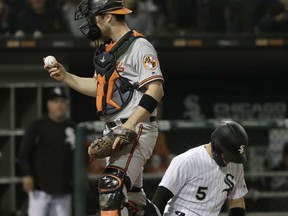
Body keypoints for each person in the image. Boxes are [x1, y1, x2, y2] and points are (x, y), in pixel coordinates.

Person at [44, 0, 164, 215]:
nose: (91, 23)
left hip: (135, 129)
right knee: (135, 202)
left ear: (108, 16)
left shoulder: (139, 46)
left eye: (94, 17)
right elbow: (98, 88)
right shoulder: (108, 50)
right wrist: (65, 76)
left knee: (111, 187)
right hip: (115, 131)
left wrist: (129, 125)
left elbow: (155, 90)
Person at [152, 120, 249, 216]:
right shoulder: (187, 161)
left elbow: (237, 202)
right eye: (228, 155)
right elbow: (160, 199)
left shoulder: (235, 164)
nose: (230, 160)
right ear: (216, 146)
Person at [18, 87, 76, 216]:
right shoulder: (38, 126)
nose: (59, 105)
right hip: (40, 187)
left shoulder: (72, 127)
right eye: (55, 101)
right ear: (48, 104)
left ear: (67, 104)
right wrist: (27, 174)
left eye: (62, 101)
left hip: (64, 188)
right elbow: (24, 152)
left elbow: (78, 157)